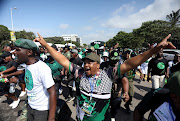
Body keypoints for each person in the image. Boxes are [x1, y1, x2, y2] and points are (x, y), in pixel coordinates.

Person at [34, 33, 175, 121]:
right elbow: (62, 60)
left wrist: (154, 50)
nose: (86, 65)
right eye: (85, 62)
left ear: (98, 65)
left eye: (90, 63)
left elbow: (130, 64)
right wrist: (45, 44)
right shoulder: (79, 72)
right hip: (81, 117)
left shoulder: (108, 73)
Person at [13, 39, 56, 121]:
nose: (14, 52)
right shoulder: (28, 66)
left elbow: (52, 92)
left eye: (17, 50)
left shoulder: (42, 68)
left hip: (41, 110)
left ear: (29, 52)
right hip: (30, 106)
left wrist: (51, 118)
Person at [100, 50, 129, 120]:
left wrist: (126, 92)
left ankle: (112, 116)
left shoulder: (120, 67)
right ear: (109, 58)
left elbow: (125, 80)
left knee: (115, 107)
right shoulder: (103, 65)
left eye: (116, 59)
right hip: (104, 90)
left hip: (116, 91)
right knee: (103, 107)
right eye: (113, 59)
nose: (115, 61)